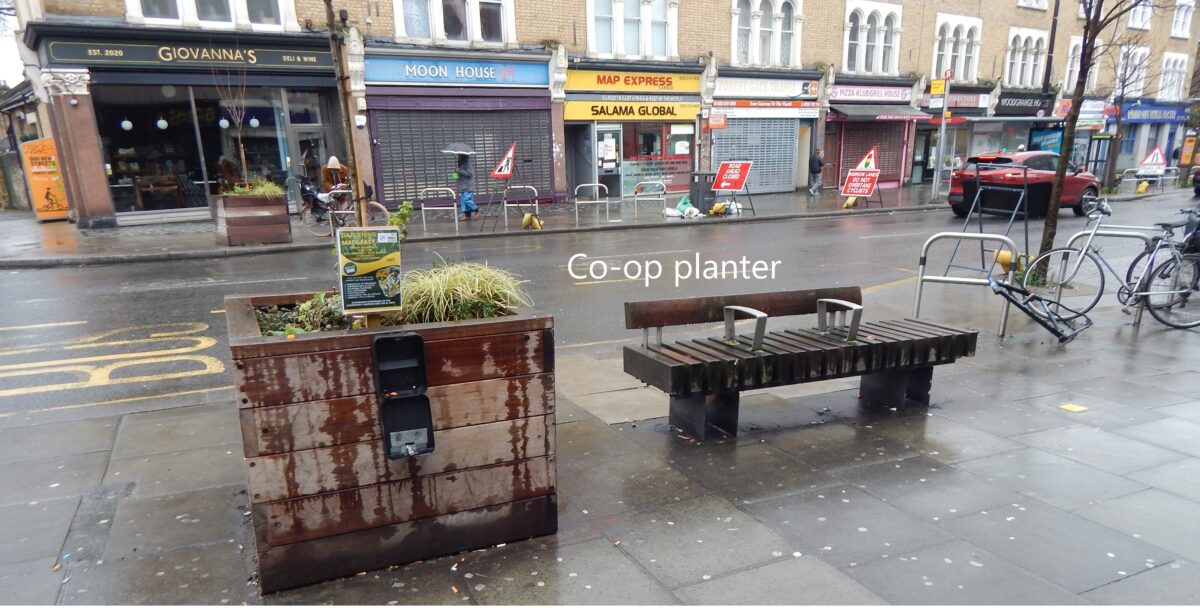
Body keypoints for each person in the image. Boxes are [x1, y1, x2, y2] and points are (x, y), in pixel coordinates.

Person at [455, 154, 479, 219]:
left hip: (468, 186)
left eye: (459, 155)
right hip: (462, 185)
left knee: (467, 200)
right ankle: (467, 215)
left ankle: (476, 209)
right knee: (463, 201)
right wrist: (455, 174)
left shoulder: (467, 163)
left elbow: (470, 173)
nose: (458, 156)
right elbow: (459, 174)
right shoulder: (459, 163)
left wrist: (459, 171)